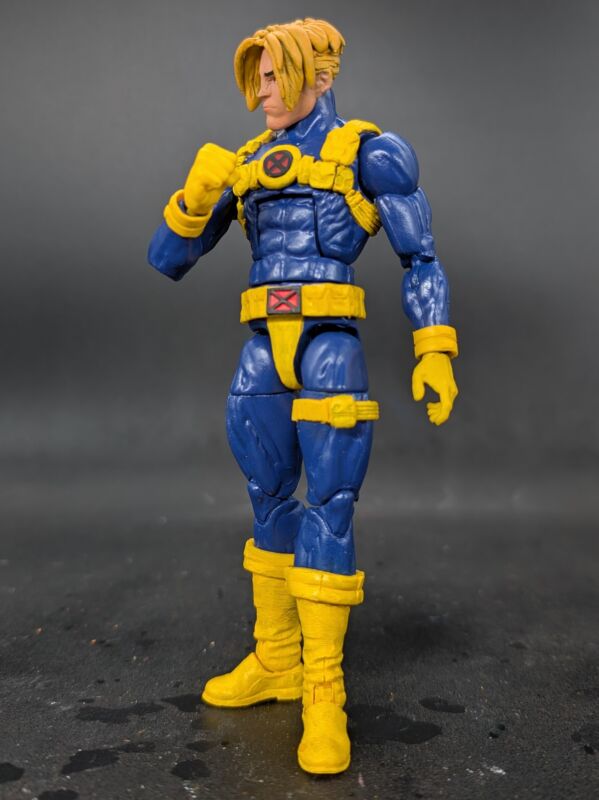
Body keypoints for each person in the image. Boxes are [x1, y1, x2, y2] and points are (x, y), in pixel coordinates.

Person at [148, 17, 458, 775]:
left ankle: (323, 688)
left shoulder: (368, 152)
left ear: (318, 74)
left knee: (329, 505)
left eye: (273, 74)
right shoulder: (247, 162)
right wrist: (194, 195)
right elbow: (167, 261)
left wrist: (434, 347)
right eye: (254, 77)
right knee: (267, 500)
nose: (261, 91)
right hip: (262, 345)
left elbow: (420, 256)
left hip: (328, 343)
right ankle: (277, 657)